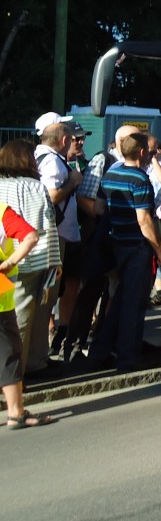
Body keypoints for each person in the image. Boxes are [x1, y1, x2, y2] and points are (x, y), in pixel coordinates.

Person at [88, 131, 161, 373]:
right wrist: (160, 251)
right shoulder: (139, 180)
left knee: (121, 299)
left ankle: (99, 352)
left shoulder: (111, 173)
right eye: (150, 152)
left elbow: (100, 207)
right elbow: (144, 221)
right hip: (136, 247)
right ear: (142, 152)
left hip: (116, 243)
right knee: (134, 305)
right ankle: (128, 358)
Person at [73, 124, 140, 361]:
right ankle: (74, 344)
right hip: (99, 238)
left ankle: (101, 343)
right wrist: (107, 220)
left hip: (117, 239)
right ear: (123, 140)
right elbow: (84, 197)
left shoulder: (132, 164)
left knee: (111, 292)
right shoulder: (104, 160)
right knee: (90, 289)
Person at [0, 138, 60, 378]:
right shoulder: (34, 186)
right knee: (22, 322)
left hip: (4, 260)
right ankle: (18, 377)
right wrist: (54, 263)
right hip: (27, 262)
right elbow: (46, 226)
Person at [0, 198, 54, 428]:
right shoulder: (2, 211)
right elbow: (31, 237)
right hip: (0, 297)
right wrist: (10, 262)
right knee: (9, 350)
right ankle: (16, 412)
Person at [35, 118, 84, 364]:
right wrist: (73, 181)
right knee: (50, 294)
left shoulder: (43, 157)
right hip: (58, 238)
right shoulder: (53, 162)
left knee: (53, 293)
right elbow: (52, 196)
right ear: (64, 140)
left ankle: (50, 345)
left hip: (59, 236)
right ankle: (42, 352)